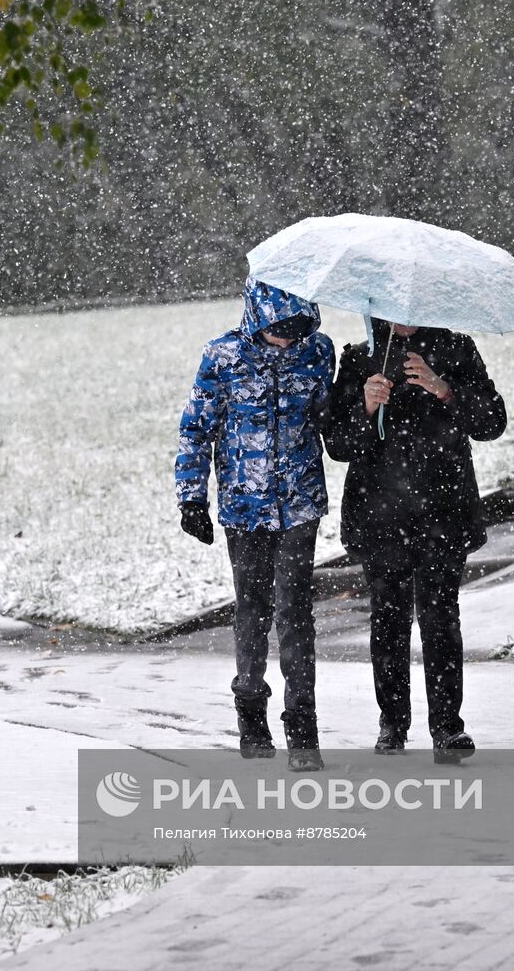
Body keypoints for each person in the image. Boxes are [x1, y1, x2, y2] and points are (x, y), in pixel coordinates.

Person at [324, 318, 506, 764]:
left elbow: (492, 422)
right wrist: (366, 407)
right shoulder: (360, 356)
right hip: (380, 511)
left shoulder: (457, 346)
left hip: (444, 509)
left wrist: (444, 389)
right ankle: (392, 724)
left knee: (441, 616)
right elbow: (338, 444)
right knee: (388, 619)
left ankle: (448, 728)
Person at [175, 277, 335, 772]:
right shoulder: (222, 356)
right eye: (277, 328)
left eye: (295, 328)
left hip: (300, 503)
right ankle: (251, 711)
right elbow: (196, 428)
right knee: (253, 610)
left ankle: (302, 727)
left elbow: (327, 419)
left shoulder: (318, 352)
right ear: (258, 316)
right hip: (244, 506)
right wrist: (191, 498)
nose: (287, 338)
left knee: (295, 613)